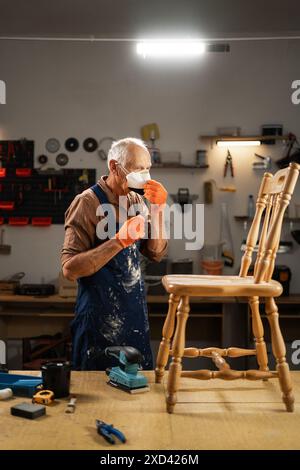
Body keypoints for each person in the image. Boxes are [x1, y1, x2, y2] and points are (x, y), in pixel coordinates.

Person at [61, 137, 168, 370]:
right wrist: (119, 241)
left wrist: (159, 209)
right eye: (138, 169)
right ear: (113, 166)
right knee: (95, 396)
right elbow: (69, 269)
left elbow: (156, 253)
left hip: (134, 319)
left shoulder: (137, 200)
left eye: (148, 168)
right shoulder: (87, 203)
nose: (145, 176)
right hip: (97, 324)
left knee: (139, 395)